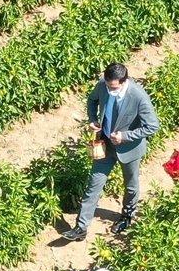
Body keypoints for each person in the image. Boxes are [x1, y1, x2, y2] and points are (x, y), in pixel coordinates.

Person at [62, 63, 159, 241]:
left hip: (129, 149)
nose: (109, 89)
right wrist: (92, 119)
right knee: (94, 184)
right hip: (105, 144)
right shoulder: (103, 85)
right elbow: (92, 100)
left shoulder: (138, 97)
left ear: (124, 81)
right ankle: (81, 227)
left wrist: (126, 136)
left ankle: (126, 217)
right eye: (107, 85)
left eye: (113, 87)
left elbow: (152, 126)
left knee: (130, 186)